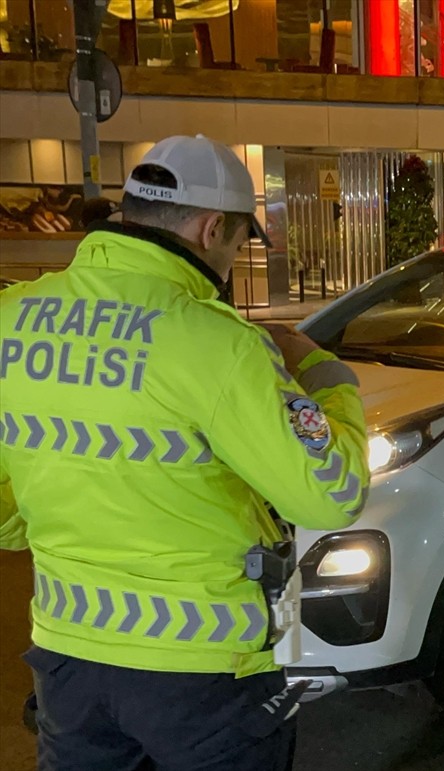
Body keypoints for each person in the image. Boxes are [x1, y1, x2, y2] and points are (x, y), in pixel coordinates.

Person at [0, 135, 370, 770]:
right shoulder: (216, 343)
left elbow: (7, 524)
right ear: (210, 228)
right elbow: (331, 493)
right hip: (205, 676)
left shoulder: (13, 317)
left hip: (68, 660)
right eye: (236, 241)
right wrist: (328, 381)